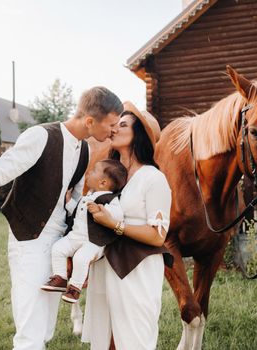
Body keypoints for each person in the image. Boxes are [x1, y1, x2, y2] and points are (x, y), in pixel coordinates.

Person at [0, 87, 123, 350]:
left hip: (57, 247)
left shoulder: (85, 151)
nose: (113, 131)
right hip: (29, 241)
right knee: (30, 332)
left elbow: (74, 205)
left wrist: (76, 248)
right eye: (111, 124)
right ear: (90, 121)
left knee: (45, 329)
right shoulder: (41, 136)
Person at [82, 101, 172, 350]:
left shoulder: (153, 178)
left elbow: (158, 236)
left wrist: (116, 225)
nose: (114, 129)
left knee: (134, 339)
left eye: (123, 125)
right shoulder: (113, 177)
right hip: (107, 265)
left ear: (138, 136)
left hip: (137, 270)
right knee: (106, 338)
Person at [41, 159, 127, 304]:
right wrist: (69, 202)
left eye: (93, 171)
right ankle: (60, 278)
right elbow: (77, 212)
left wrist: (101, 209)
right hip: (75, 236)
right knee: (58, 248)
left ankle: (75, 288)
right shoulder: (87, 196)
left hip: (93, 241)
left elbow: (118, 215)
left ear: (103, 183)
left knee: (81, 258)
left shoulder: (110, 199)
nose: (89, 173)